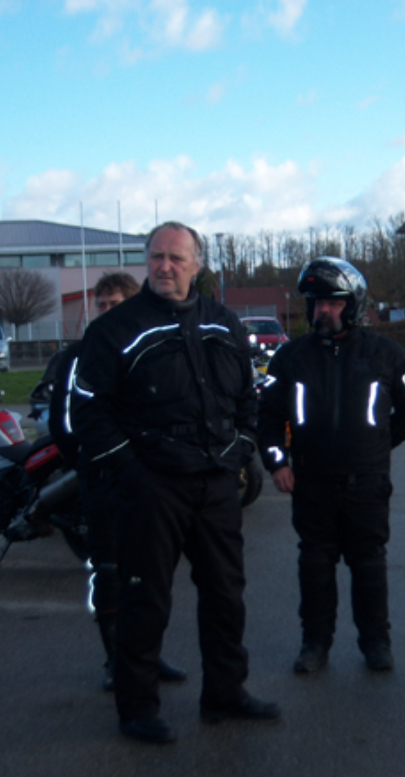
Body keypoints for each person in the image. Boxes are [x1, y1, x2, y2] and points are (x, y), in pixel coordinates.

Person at [70, 221, 280, 744]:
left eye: (176, 259)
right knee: (147, 599)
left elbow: (248, 396)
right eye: (157, 256)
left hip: (215, 484)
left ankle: (225, 693)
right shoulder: (114, 329)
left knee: (226, 594)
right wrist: (132, 472)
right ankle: (137, 708)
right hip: (152, 486)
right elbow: (89, 411)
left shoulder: (222, 322)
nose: (164, 266)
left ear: (197, 265)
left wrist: (245, 448)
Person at [257, 257, 405, 674]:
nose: (323, 311)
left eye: (333, 303)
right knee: (315, 565)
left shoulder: (387, 355)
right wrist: (277, 462)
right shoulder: (290, 357)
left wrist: (377, 446)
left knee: (368, 563)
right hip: (310, 482)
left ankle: (376, 644)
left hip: (366, 484)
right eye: (316, 303)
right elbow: (266, 417)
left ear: (353, 304)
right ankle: (315, 644)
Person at [48, 271, 187, 692]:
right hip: (103, 481)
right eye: (102, 304)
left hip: (148, 483)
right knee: (108, 573)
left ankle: (146, 654)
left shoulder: (151, 346)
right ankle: (115, 661)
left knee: (148, 574)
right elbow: (64, 424)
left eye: (116, 304)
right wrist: (93, 463)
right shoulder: (77, 355)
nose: (107, 311)